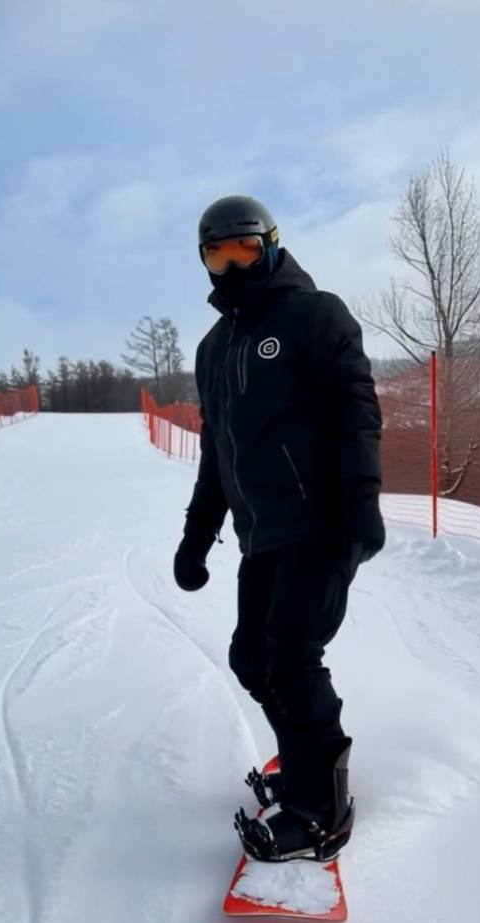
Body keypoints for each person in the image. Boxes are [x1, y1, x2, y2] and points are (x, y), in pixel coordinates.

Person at [173, 195, 385, 862]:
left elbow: (356, 409)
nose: (232, 265)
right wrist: (196, 533)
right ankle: (303, 766)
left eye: (243, 249)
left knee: (292, 659)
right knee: (252, 659)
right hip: (261, 535)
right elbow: (219, 452)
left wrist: (361, 500)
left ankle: (323, 811)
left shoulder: (313, 315)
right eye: (217, 254)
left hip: (320, 522)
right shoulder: (214, 348)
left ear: (270, 244)